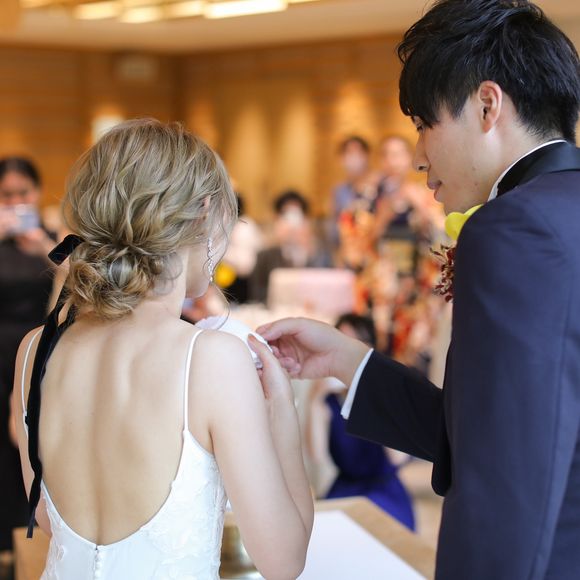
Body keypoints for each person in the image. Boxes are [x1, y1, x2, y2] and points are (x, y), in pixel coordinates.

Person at [257, 1, 580, 578]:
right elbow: (490, 427)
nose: (419, 157)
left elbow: (505, 476)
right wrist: (348, 360)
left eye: (425, 124)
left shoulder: (514, 229)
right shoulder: (560, 213)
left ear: (487, 106)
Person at [12, 119, 313, 579]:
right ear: (204, 211)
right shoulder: (211, 359)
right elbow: (284, 562)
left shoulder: (35, 349)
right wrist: (284, 417)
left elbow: (48, 518)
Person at [306, 313, 415, 530]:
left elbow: (397, 458)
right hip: (345, 489)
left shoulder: (386, 391)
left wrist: (372, 396)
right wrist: (315, 398)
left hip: (384, 493)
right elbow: (316, 455)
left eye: (356, 343)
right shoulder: (329, 399)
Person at [0, 158, 58, 559]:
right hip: (0, 354)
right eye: (7, 195)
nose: (16, 202)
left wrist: (43, 247)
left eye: (23, 193)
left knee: (34, 443)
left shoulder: (52, 240)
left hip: (39, 355)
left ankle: (32, 539)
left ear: (37, 193)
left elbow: (75, 280)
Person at [250, 190, 331, 303]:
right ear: (277, 220)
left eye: (297, 215)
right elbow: (257, 297)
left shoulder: (319, 254)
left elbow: (325, 287)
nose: (292, 224)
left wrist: (308, 251)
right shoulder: (265, 257)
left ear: (306, 220)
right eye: (286, 216)